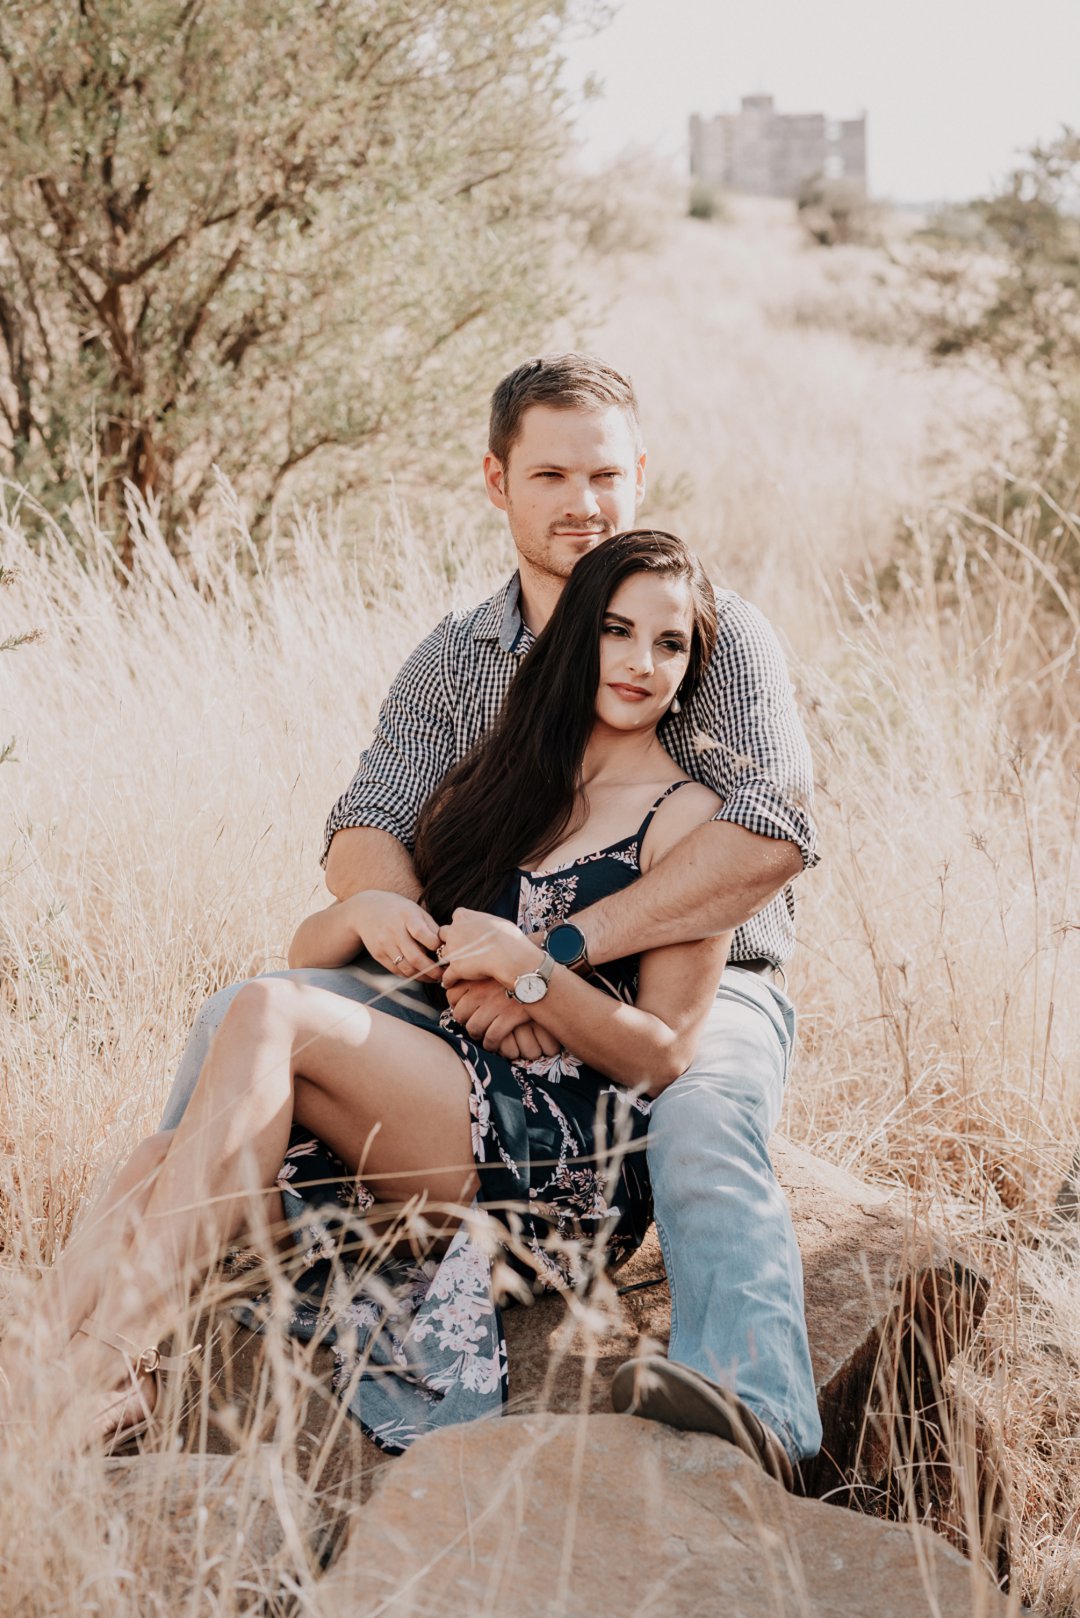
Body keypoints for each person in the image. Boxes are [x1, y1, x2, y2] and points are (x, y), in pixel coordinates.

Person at [156, 352, 823, 1482]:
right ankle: (185, 1288)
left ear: (641, 474)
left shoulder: (705, 626)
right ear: (497, 482)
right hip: (479, 963)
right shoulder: (460, 653)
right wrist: (423, 946)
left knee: (705, 1119)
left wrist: (549, 960)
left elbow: (769, 833)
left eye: (604, 475)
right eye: (551, 475)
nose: (583, 503)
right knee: (247, 1010)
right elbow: (368, 820)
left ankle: (758, 1414)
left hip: (696, 978)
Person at [0, 532, 735, 1464]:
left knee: (270, 1014)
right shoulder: (507, 778)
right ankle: (29, 1387)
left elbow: (665, 1053)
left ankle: (121, 1359)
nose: (640, 663)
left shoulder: (689, 816)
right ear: (577, 634)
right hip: (438, 1092)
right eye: (617, 631)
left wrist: (533, 975)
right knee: (158, 1158)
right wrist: (367, 910)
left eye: (669, 644)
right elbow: (312, 958)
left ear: (692, 665)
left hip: (561, 1159)